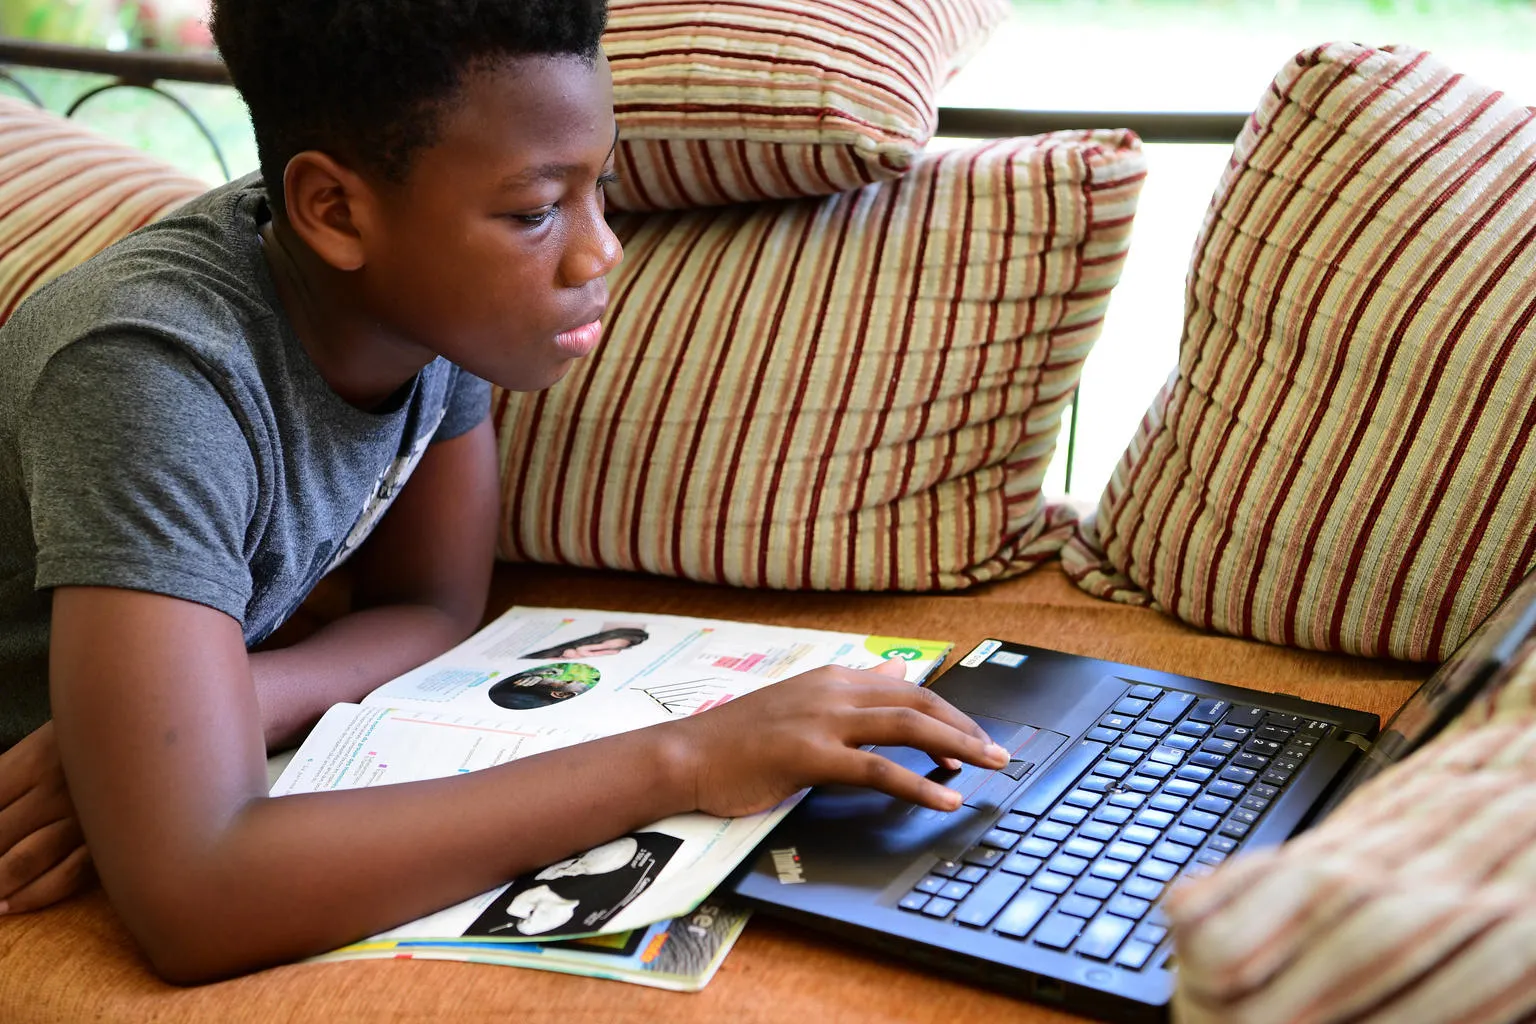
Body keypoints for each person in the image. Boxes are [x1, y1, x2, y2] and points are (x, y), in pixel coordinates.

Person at [0, 0, 1009, 983]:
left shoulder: (431, 306)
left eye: (596, 189)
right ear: (333, 209)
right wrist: (692, 755)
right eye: (535, 211)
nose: (599, 250)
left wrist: (230, 704)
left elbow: (433, 606)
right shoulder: (150, 375)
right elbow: (198, 895)